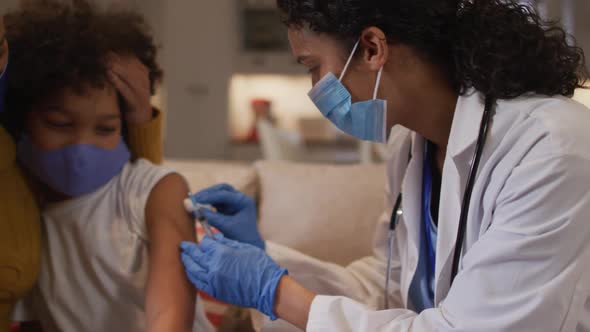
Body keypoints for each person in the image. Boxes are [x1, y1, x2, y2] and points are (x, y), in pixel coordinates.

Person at [180, 0, 590, 331]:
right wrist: (263, 259)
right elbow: (387, 288)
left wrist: (275, 293)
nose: (314, 89)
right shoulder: (409, 148)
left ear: (373, 48)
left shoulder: (550, 147)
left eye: (313, 67)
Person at [1, 2, 211, 331]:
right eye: (59, 123)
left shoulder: (159, 190)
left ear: (127, 127)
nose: (82, 149)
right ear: (21, 119)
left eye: (105, 129)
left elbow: (170, 315)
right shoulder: (26, 209)